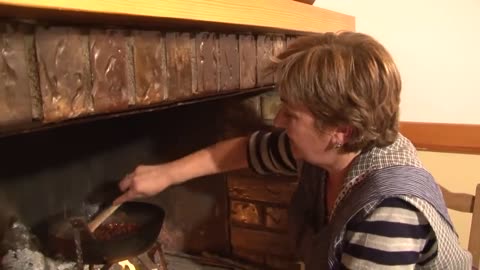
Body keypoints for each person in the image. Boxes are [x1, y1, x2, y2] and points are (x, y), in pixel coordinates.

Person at [114, 32, 472, 269]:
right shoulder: (329, 151)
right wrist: (165, 174)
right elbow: (245, 151)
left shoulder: (387, 217)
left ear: (339, 130)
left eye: (291, 113)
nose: (278, 121)